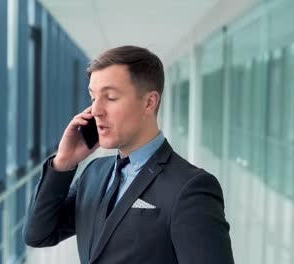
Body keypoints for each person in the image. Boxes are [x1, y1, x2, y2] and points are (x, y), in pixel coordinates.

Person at [23, 46, 234, 264]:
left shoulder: (190, 188)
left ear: (149, 102)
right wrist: (63, 163)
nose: (96, 110)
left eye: (111, 97)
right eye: (93, 97)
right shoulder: (94, 174)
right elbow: (39, 234)